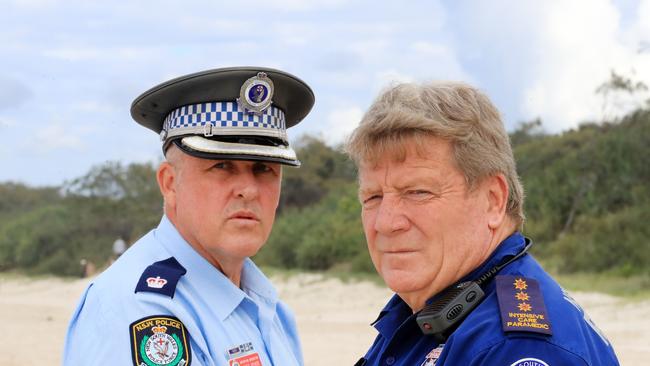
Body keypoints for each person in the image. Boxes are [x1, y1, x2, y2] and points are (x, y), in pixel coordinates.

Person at [345, 82, 620, 366]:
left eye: (417, 192)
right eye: (373, 197)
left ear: (493, 201)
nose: (386, 222)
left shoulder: (512, 347)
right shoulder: (425, 312)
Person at [64, 67, 315, 366]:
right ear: (170, 183)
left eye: (264, 168)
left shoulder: (268, 307)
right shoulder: (141, 309)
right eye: (222, 166)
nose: (248, 189)